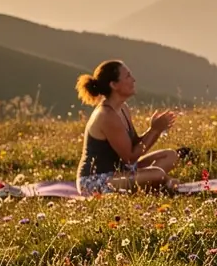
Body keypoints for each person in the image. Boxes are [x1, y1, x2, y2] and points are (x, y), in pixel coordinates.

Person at [75, 60, 180, 195]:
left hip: (122, 171)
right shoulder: (106, 115)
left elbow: (135, 145)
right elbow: (130, 157)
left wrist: (154, 130)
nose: (133, 80)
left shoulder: (123, 108)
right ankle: (163, 182)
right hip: (96, 181)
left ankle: (152, 182)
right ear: (114, 85)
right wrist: (155, 130)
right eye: (128, 76)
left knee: (170, 155)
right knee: (157, 174)